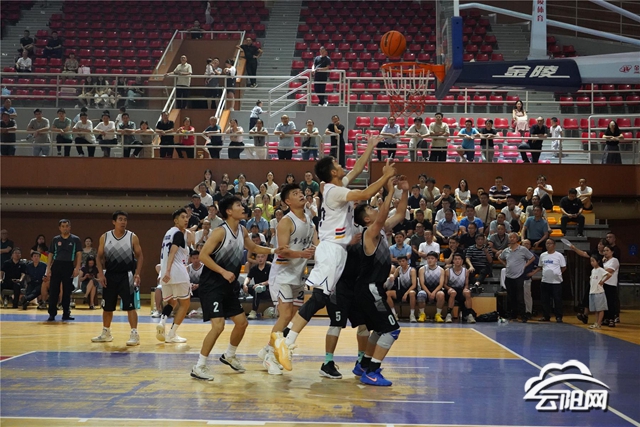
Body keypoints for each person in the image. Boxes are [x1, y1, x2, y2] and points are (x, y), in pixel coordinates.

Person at [271, 137, 396, 373]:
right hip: (330, 249)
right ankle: (286, 341)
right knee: (318, 298)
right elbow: (365, 193)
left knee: (320, 297)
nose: (342, 165)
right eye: (338, 164)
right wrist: (385, 178)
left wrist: (370, 147)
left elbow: (357, 168)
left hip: (337, 249)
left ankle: (286, 339)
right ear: (332, 172)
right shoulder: (334, 192)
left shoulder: (335, 186)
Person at [190, 197, 283, 381]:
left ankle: (229, 355)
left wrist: (274, 251)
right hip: (212, 286)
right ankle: (199, 366)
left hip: (228, 286)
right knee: (218, 326)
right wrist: (223, 271)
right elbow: (203, 255)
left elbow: (253, 247)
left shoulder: (242, 230)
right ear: (229, 211)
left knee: (242, 323)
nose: (242, 207)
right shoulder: (220, 232)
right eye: (238, 205)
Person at [257, 184, 317, 374]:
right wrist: (302, 254)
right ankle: (270, 358)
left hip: (298, 275)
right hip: (282, 274)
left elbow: (316, 244)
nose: (301, 195)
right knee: (284, 315)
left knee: (293, 317)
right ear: (287, 201)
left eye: (301, 192)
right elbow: (282, 251)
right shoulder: (286, 222)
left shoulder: (310, 220)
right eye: (295, 193)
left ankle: (268, 348)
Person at [91, 211, 143, 345]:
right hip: (110, 275)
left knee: (130, 306)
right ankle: (106, 332)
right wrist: (101, 274)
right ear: (114, 222)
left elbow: (140, 256)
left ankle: (134, 334)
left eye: (125, 219)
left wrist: (137, 273)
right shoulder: (105, 237)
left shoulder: (132, 237)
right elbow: (99, 257)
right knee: (107, 307)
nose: (123, 222)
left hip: (127, 275)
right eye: (120, 219)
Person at [155, 208, 192, 344]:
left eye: (187, 217)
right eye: (183, 217)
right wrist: (169, 271)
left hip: (165, 273)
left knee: (172, 302)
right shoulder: (178, 234)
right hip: (177, 272)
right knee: (185, 304)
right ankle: (172, 334)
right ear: (176, 220)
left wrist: (165, 272)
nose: (186, 219)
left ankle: (162, 321)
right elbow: (172, 252)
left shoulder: (168, 233)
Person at [45, 219, 82, 321]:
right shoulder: (55, 239)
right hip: (56, 265)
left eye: (67, 226)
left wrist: (77, 268)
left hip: (68, 265)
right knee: (54, 290)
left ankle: (66, 313)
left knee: (67, 291)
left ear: (70, 227)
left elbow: (79, 254)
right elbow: (51, 254)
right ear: (59, 228)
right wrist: (48, 268)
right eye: (63, 226)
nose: (65, 228)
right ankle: (52, 313)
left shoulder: (75, 239)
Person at [497, 232, 535, 322]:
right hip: (509, 276)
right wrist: (505, 264)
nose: (512, 239)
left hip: (519, 276)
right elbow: (500, 257)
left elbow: (532, 258)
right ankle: (513, 314)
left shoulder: (522, 249)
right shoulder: (506, 250)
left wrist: (525, 265)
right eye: (510, 237)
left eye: (514, 237)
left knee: (520, 297)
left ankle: (523, 315)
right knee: (511, 297)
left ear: (517, 239)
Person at [532, 239, 566, 322]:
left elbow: (563, 267)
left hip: (556, 282)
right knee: (545, 300)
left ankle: (558, 316)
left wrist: (557, 273)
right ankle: (546, 316)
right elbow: (540, 266)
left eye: (550, 243)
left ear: (554, 245)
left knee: (557, 299)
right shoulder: (543, 255)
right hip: (545, 281)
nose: (548, 245)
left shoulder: (559, 255)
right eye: (547, 243)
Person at [444, 253, 476, 323]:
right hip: (450, 290)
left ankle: (469, 315)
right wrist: (449, 288)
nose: (457, 261)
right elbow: (445, 284)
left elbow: (466, 284)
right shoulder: (447, 271)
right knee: (453, 293)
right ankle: (448, 315)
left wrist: (465, 289)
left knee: (467, 292)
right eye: (455, 259)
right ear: (453, 261)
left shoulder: (466, 271)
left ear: (462, 261)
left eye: (459, 259)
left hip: (461, 290)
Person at [385, 255, 417, 321]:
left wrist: (406, 294)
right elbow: (393, 277)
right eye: (399, 261)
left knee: (412, 293)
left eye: (403, 261)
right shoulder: (398, 269)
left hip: (410, 290)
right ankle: (394, 314)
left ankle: (412, 315)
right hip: (402, 290)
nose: (401, 263)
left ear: (407, 261)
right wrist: (390, 277)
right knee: (387, 294)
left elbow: (414, 285)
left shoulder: (412, 270)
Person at [416, 251, 445, 322]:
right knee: (420, 294)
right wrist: (429, 293)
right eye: (428, 258)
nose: (430, 260)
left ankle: (438, 315)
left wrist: (434, 293)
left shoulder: (441, 270)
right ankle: (422, 314)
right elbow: (422, 284)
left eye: (432, 258)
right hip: (425, 290)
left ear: (436, 260)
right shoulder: (422, 269)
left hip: (436, 290)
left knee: (441, 294)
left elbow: (441, 284)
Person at [243, 253, 271, 320]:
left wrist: (261, 284)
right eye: (258, 257)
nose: (260, 259)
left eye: (262, 257)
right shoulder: (254, 268)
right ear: (256, 259)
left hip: (267, 290)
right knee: (243, 286)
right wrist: (245, 284)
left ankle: (253, 312)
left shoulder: (269, 267)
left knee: (257, 290)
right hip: (257, 288)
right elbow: (248, 278)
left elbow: (271, 280)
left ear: (265, 258)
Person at [587, 255, 608, 329]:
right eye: (591, 261)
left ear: (598, 261)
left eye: (593, 261)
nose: (592, 263)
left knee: (600, 309)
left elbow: (609, 274)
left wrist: (602, 281)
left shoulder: (600, 270)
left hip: (599, 292)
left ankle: (599, 323)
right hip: (592, 291)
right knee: (595, 309)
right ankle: (596, 322)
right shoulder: (593, 270)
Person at [601, 245, 619, 327]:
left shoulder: (614, 260)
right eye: (604, 251)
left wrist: (601, 270)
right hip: (603, 283)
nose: (605, 252)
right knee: (604, 302)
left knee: (611, 302)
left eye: (607, 250)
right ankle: (606, 318)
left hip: (611, 284)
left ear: (612, 252)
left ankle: (612, 318)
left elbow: (610, 270)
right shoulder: (604, 261)